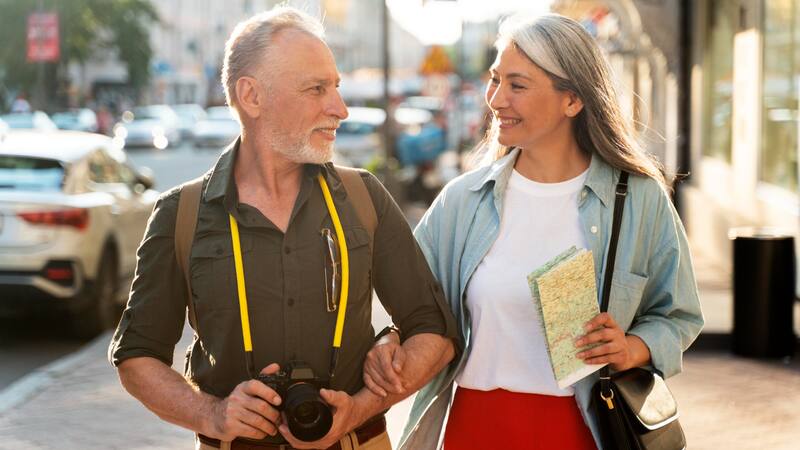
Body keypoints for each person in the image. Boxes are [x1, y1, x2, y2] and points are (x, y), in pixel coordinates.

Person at [108, 7, 458, 450]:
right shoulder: (181, 214)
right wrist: (211, 414)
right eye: (316, 89)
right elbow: (136, 356)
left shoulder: (365, 197)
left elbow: (436, 334)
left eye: (336, 87)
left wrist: (362, 405)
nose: (340, 109)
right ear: (252, 96)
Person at [362, 13, 704, 450]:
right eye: (495, 79)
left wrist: (631, 348)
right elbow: (415, 309)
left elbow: (679, 315)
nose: (496, 99)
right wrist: (389, 338)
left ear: (573, 100)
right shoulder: (463, 200)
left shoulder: (637, 199)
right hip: (475, 426)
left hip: (584, 429)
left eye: (518, 85)